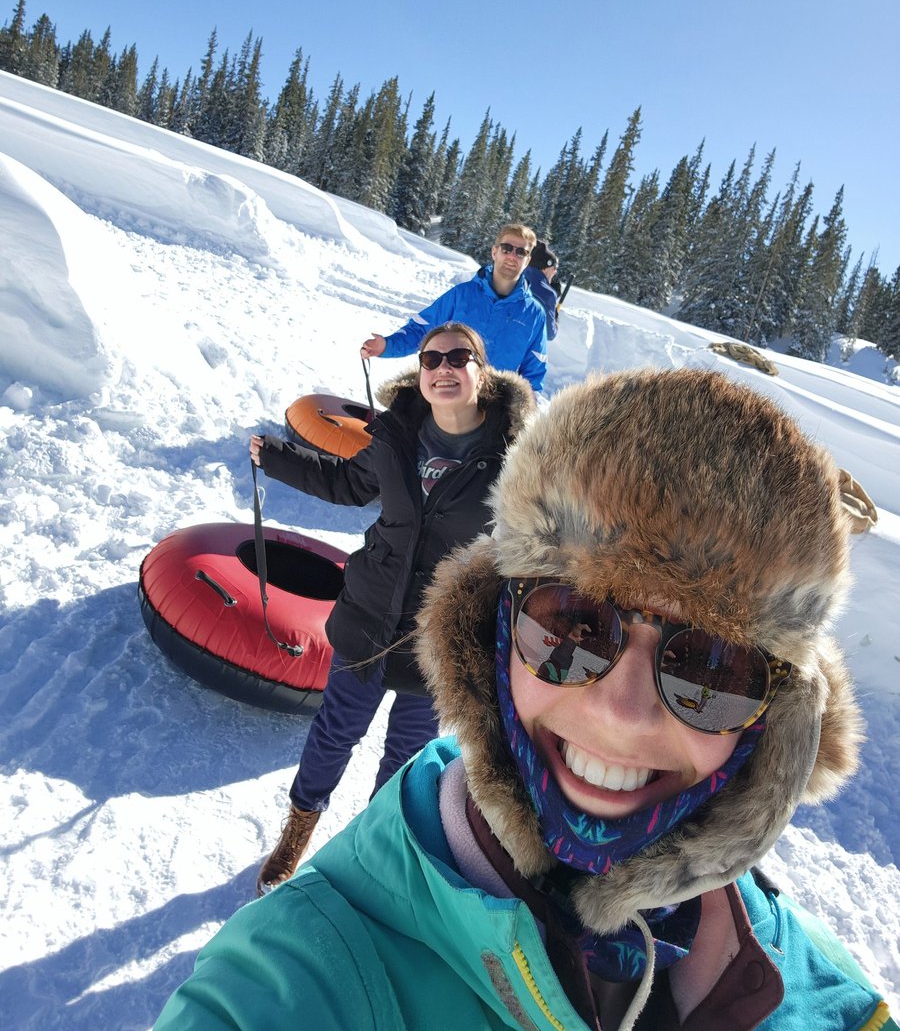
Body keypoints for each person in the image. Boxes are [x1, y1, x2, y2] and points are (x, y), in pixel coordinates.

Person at [155, 369, 896, 1031]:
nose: (621, 714)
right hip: (368, 630)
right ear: (492, 633)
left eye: (711, 673)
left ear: (776, 723)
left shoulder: (830, 1001)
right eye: (570, 627)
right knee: (337, 737)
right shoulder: (309, 975)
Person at [248, 322, 533, 896]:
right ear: (420, 373)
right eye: (432, 359)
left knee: (406, 756)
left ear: (483, 370)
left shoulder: (516, 457)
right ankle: (297, 831)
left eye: (460, 357)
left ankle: (370, 852)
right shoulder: (395, 433)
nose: (444, 368)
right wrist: (277, 458)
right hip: (370, 613)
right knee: (334, 732)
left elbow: (538, 539)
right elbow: (349, 485)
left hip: (438, 633)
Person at [361, 223, 548, 393]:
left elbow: (533, 375)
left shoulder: (535, 314)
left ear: (528, 260)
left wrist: (522, 413)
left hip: (493, 407)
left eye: (520, 252)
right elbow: (421, 329)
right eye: (507, 248)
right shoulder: (462, 295)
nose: (512, 256)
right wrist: (387, 346)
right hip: (446, 390)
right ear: (494, 252)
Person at [524, 238, 561, 341]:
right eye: (554, 268)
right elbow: (549, 334)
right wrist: (555, 318)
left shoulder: (516, 276)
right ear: (545, 267)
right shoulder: (547, 294)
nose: (555, 272)